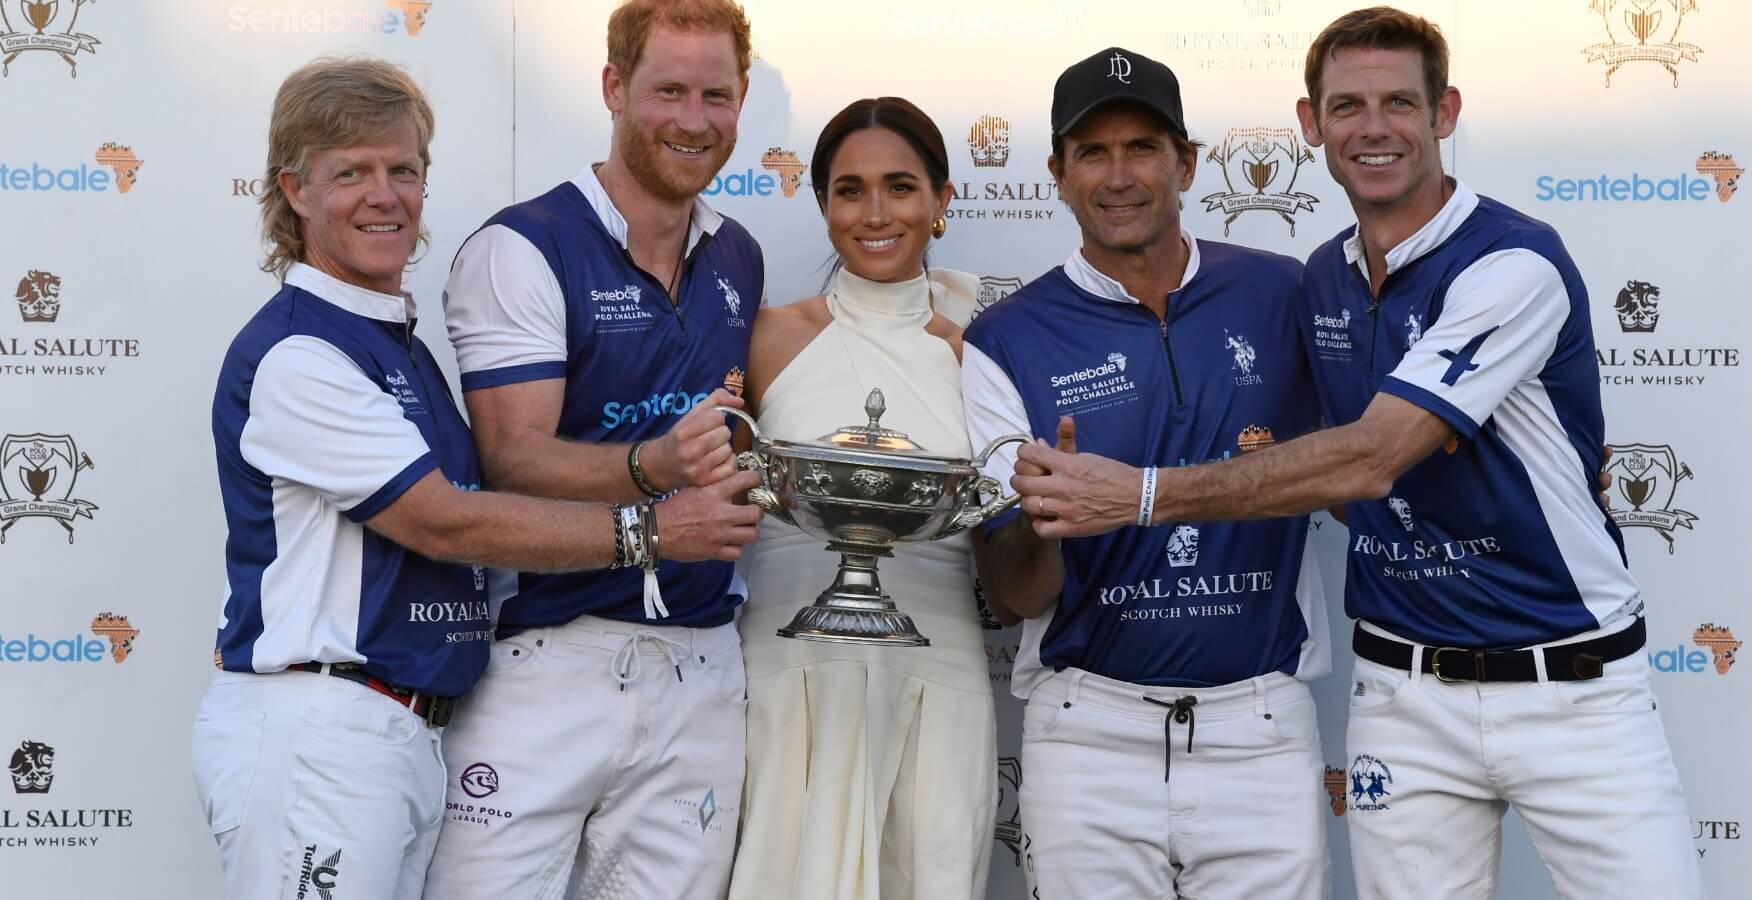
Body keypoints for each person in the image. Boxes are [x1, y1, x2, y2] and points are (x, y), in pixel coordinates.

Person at [1010, 10, 1703, 900]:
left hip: (1570, 683)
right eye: (1346, 106)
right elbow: (1331, 474)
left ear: (1444, 112)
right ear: (1311, 125)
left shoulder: (1513, 262)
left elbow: (1371, 457)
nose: (1372, 128)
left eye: (1398, 103)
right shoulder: (1322, 279)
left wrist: (1143, 494)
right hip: (1402, 693)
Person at [192, 58, 756, 900]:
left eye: (403, 170)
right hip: (324, 731)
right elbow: (444, 523)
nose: (384, 196)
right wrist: (651, 529)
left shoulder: (398, 345)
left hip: (404, 732)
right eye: (350, 173)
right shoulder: (299, 353)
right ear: (295, 191)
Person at [960, 48, 1330, 900]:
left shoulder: (1284, 293)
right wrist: (1045, 513)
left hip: (1262, 727)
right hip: (1089, 735)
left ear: (1187, 163)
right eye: (1092, 152)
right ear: (1057, 173)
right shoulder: (1005, 340)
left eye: (1142, 148)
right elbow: (1014, 592)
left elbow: (1369, 457)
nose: (1118, 176)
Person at [422, 1, 768, 897]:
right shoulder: (523, 246)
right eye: (669, 91)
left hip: (699, 658)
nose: (694, 121)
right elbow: (513, 459)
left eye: (717, 95)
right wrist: (657, 470)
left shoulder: (739, 256)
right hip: (551, 655)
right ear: (614, 88)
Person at [727, 96, 995, 900]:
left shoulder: (982, 353)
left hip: (937, 665)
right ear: (822, 205)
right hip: (784, 664)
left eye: (901, 187)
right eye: (850, 190)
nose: (875, 213)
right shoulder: (767, 338)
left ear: (942, 202)